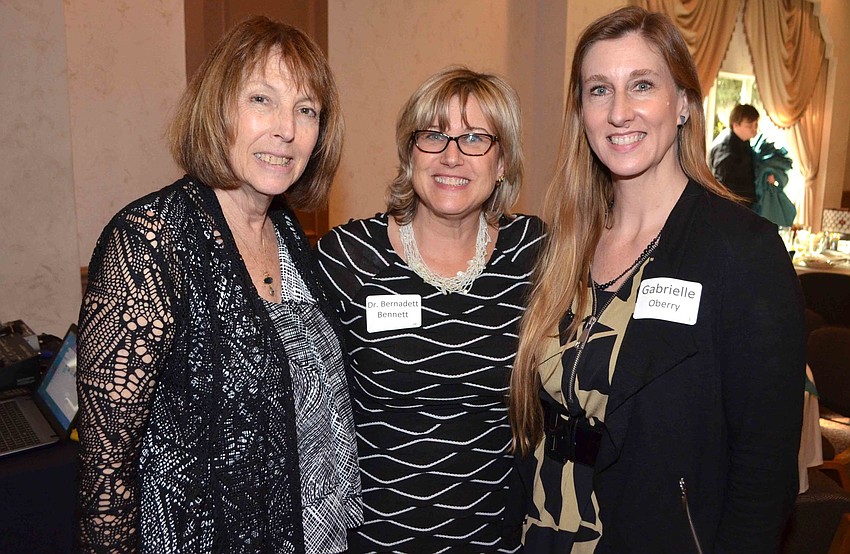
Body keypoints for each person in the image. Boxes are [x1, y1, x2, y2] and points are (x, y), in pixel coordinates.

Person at [509, 7, 805, 553]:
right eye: (599, 90)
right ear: (582, 112)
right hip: (541, 535)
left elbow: (765, 477)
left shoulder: (742, 252)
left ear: (684, 104)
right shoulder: (562, 247)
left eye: (641, 85)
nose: (619, 111)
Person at [76, 16, 361, 553]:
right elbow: (106, 472)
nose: (287, 129)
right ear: (217, 108)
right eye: (262, 100)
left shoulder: (289, 233)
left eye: (306, 110)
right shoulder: (151, 240)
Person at [316, 66, 544, 552]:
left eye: (476, 139)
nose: (452, 156)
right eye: (434, 135)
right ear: (409, 153)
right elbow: (305, 418)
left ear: (502, 162)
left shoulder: (535, 254)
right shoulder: (348, 256)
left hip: (500, 540)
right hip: (377, 539)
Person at [709, 104, 762, 206]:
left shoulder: (743, 141)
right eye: (750, 125)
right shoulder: (726, 149)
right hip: (732, 209)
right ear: (735, 125)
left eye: (756, 125)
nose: (754, 130)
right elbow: (721, 186)